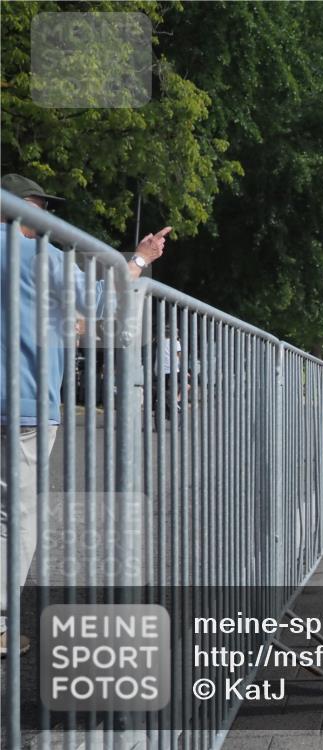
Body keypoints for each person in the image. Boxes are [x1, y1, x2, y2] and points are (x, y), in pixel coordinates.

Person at [0, 173, 170, 657]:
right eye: (39, 207)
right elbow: (99, 298)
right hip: (26, 404)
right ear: (22, 209)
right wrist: (140, 258)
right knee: (16, 519)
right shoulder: (38, 255)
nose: (45, 217)